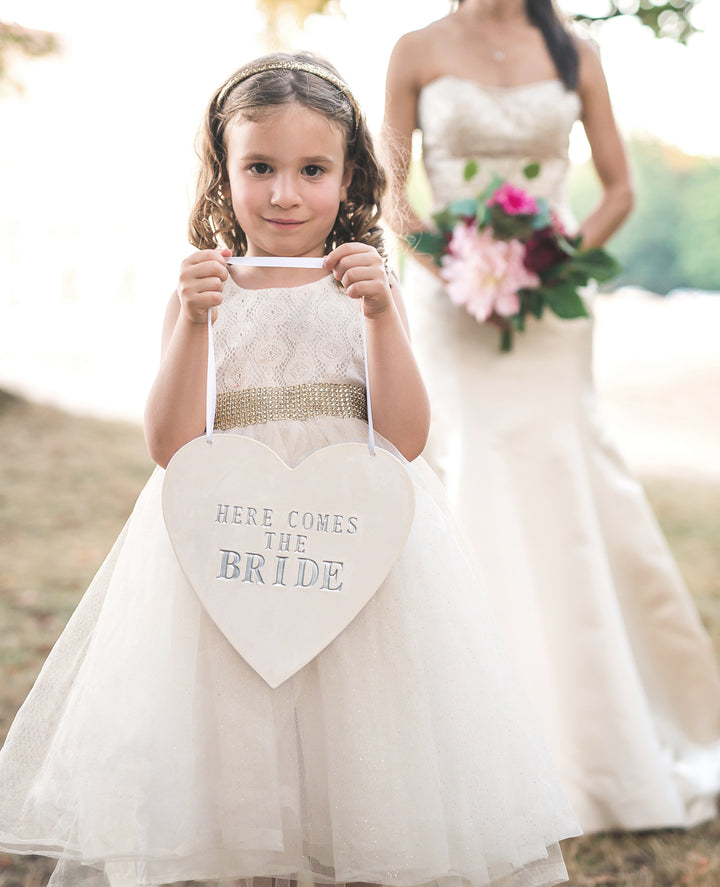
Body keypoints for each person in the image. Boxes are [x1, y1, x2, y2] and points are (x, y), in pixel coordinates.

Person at [0, 51, 581, 887]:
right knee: (234, 710)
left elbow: (408, 436)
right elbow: (168, 445)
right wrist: (196, 321)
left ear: (349, 180)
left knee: (356, 719)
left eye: (312, 170)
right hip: (226, 536)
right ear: (223, 173)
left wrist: (380, 311)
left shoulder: (367, 293)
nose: (283, 193)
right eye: (259, 167)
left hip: (355, 536)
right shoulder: (203, 290)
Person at [382, 0, 720, 834]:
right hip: (449, 304)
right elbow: (387, 194)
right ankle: (462, 734)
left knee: (567, 486)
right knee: (470, 473)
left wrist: (542, 265)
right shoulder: (416, 49)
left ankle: (598, 741)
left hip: (553, 308)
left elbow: (619, 188)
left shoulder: (579, 50)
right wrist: (454, 266)